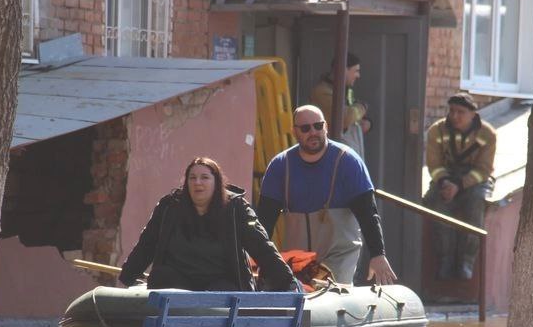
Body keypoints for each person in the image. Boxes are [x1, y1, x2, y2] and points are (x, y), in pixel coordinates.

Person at [257, 105, 397, 286]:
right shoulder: (280, 165)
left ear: (326, 127)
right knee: (295, 294)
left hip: (339, 254)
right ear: (294, 132)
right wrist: (257, 259)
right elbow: (264, 220)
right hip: (298, 257)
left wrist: (378, 254)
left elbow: (368, 213)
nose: (313, 132)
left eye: (318, 126)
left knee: (329, 292)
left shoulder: (348, 161)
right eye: (305, 128)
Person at [119, 157, 296, 291]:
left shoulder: (236, 208)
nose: (198, 183)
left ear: (216, 182)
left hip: (221, 283)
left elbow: (261, 246)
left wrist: (287, 281)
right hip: (178, 284)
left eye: (204, 177)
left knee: (224, 291)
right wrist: (127, 278)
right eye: (192, 178)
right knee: (161, 277)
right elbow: (147, 244)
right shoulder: (169, 207)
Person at [423, 92, 496, 281]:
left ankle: (467, 261)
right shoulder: (437, 130)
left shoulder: (487, 134)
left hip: (474, 181)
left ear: (473, 114)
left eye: (460, 112)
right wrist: (445, 183)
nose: (455, 116)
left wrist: (460, 185)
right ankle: (445, 261)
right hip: (445, 179)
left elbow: (484, 169)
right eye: (452, 111)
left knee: (476, 203)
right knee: (436, 205)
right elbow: (434, 165)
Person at [308, 52, 371, 159]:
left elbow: (353, 115)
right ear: (343, 70)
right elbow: (345, 118)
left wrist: (367, 122)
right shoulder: (321, 92)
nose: (358, 75)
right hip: (331, 157)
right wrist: (362, 107)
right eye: (356, 71)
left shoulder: (345, 91)